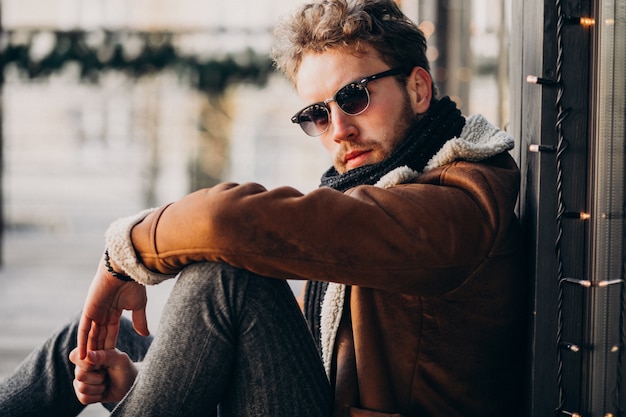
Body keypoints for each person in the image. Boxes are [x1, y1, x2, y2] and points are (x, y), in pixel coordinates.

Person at [0, 0, 527, 416]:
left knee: (225, 279)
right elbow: (291, 366)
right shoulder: (379, 193)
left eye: (356, 97)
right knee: (91, 336)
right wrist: (141, 384)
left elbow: (229, 223)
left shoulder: (456, 206)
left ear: (417, 88)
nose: (338, 128)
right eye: (317, 114)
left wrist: (125, 253)